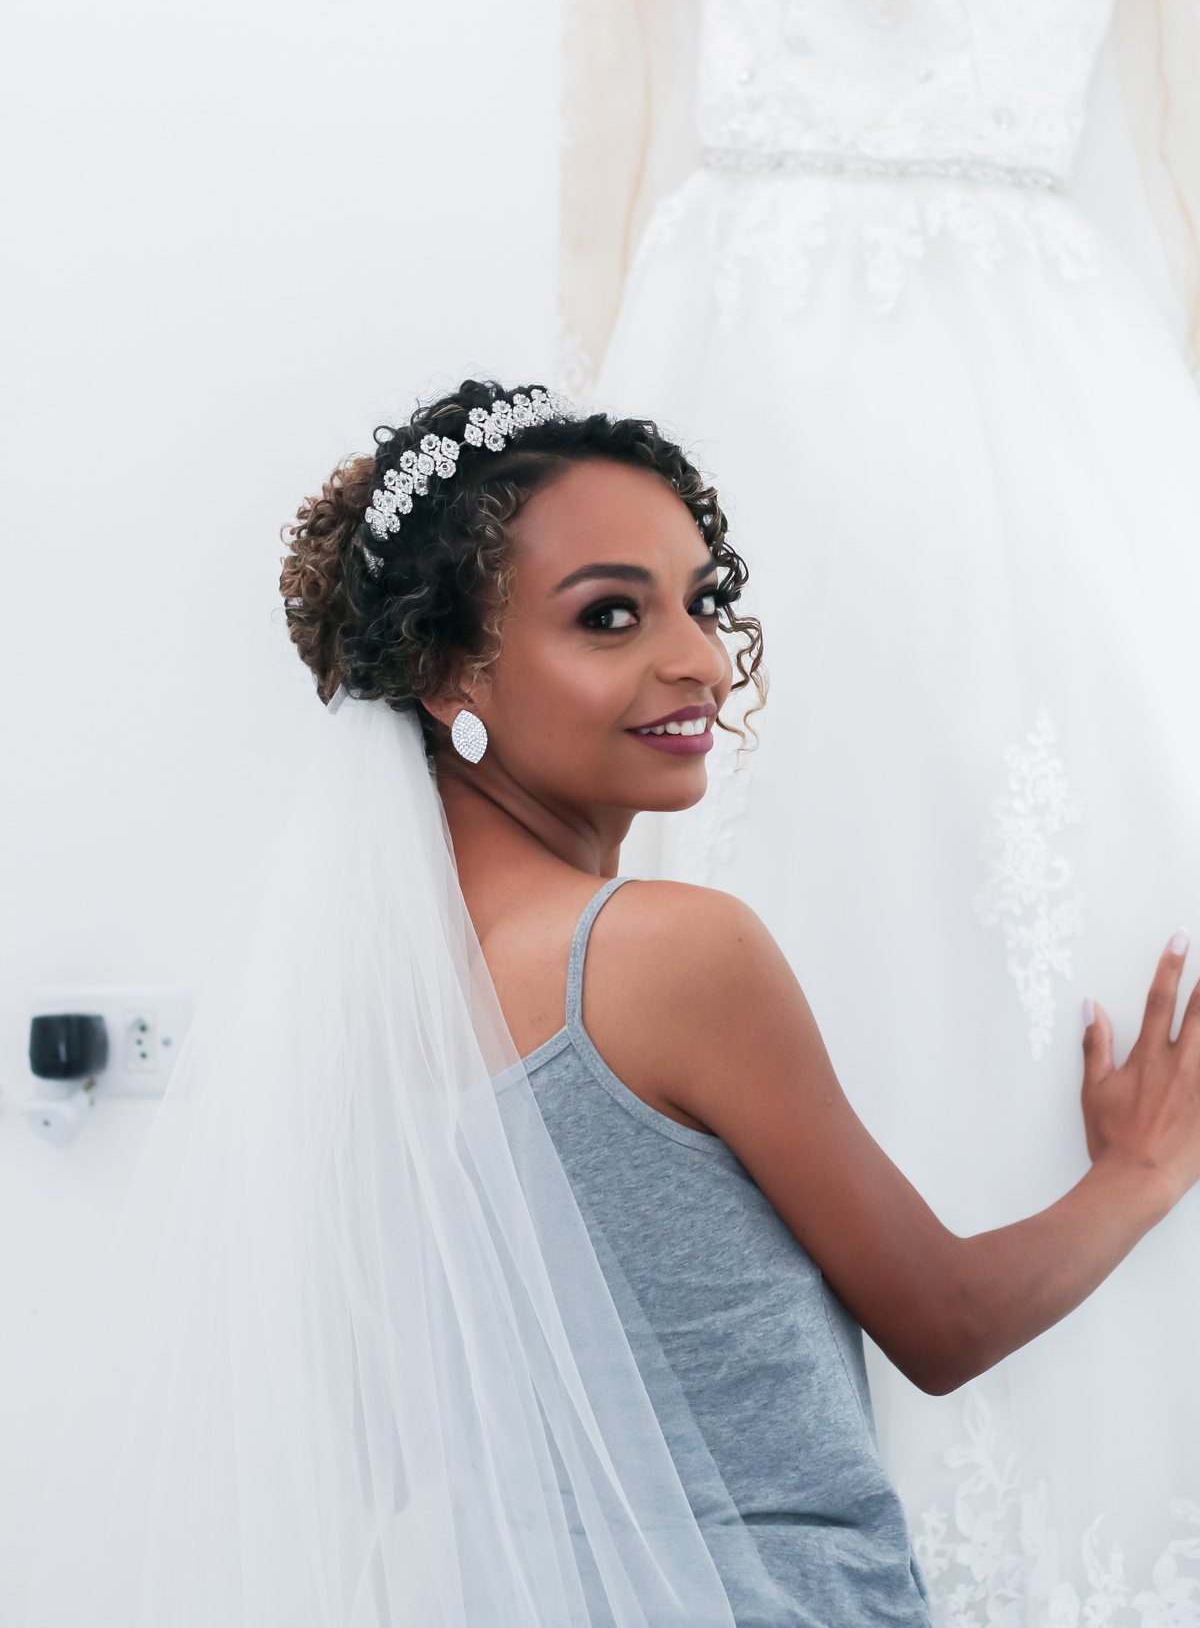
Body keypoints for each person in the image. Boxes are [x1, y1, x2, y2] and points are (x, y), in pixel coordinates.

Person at [29, 380, 1200, 1626]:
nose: (699, 660)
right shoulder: (664, 955)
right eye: (609, 616)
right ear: (446, 674)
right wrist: (1138, 1173)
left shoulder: (348, 1001)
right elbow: (945, 1323)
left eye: (702, 601)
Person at [560, 0, 1200, 1599]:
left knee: (1043, 934)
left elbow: (1184, 146)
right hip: (735, 417)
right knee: (764, 911)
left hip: (1055, 457)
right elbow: (590, 186)